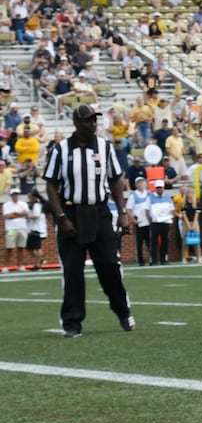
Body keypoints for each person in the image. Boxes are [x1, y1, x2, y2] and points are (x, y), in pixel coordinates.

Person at [43, 103, 136, 338]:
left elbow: (115, 180)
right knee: (73, 272)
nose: (92, 124)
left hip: (99, 212)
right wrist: (61, 217)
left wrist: (122, 213)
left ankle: (123, 311)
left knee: (109, 266)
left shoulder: (104, 147)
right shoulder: (61, 149)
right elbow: (51, 185)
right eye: (87, 120)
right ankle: (72, 323)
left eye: (94, 120)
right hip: (71, 213)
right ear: (76, 123)